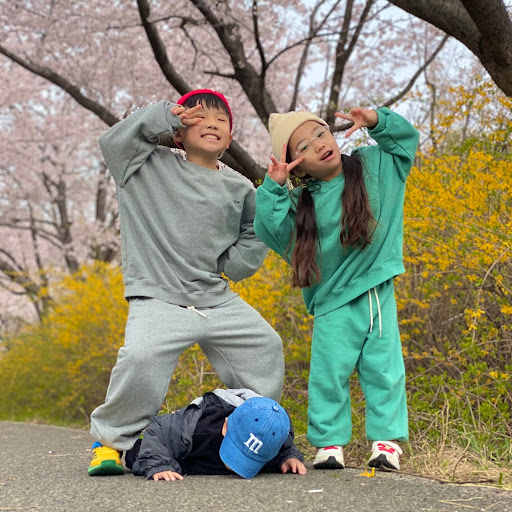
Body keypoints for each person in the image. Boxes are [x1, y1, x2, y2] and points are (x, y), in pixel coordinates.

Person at [88, 89, 285, 476]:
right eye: (199, 117)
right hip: (158, 296)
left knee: (265, 346)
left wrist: (232, 261)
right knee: (140, 358)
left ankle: (250, 436)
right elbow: (113, 142)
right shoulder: (144, 166)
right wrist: (163, 114)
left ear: (229, 138)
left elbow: (254, 232)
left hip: (214, 298)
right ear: (178, 132)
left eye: (221, 121)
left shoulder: (239, 187)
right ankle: (109, 443)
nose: (212, 124)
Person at [254, 106, 419, 471]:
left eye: (320, 133)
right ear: (297, 166)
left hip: (374, 291)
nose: (318, 145)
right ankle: (329, 444)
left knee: (383, 369)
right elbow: (268, 227)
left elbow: (405, 143)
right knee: (328, 374)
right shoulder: (300, 204)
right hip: (330, 301)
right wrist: (274, 186)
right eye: (303, 147)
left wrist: (377, 121)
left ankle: (386, 443)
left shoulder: (372, 166)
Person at [124, 389, 306, 480]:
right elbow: (158, 428)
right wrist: (160, 465)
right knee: (138, 459)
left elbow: (284, 444)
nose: (237, 465)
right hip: (189, 445)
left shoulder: (276, 432)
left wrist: (288, 457)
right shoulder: (196, 429)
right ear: (225, 427)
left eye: (249, 458)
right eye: (237, 451)